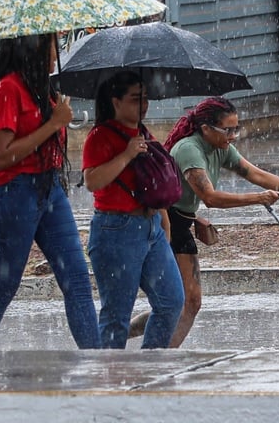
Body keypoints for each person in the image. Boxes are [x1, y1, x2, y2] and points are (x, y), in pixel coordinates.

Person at [129, 96, 279, 347]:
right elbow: (210, 197)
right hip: (164, 225)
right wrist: (259, 198)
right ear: (206, 128)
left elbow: (254, 173)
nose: (232, 136)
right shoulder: (190, 148)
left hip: (182, 223)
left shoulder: (221, 148)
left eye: (236, 129)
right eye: (227, 130)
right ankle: (153, 350)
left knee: (188, 302)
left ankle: (156, 348)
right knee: (180, 302)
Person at [0, 34, 100, 350]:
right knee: (2, 287)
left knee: (78, 281)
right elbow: (0, 155)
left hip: (49, 188)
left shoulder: (43, 89)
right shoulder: (8, 89)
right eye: (53, 45)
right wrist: (53, 124)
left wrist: (56, 118)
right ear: (36, 48)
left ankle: (99, 366)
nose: (57, 53)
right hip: (13, 194)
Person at [81, 71, 185, 349]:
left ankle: (151, 366)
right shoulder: (100, 136)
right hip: (116, 231)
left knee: (172, 302)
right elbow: (92, 181)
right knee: (116, 318)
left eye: (146, 98)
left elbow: (152, 187)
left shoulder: (143, 132)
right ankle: (111, 381)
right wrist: (126, 155)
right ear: (116, 102)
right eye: (136, 99)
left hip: (151, 228)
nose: (144, 105)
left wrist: (163, 222)